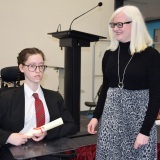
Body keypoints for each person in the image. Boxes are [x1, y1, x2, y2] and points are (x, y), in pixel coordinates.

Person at [87, 5, 160, 160]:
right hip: (111, 121)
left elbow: (156, 95)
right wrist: (96, 116)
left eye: (120, 24)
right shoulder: (109, 54)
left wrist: (145, 131)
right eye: (113, 25)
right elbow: (105, 88)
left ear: (135, 24)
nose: (115, 28)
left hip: (139, 122)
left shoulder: (151, 55)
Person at [0, 48, 78, 160]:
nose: (38, 70)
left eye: (41, 66)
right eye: (32, 66)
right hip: (15, 150)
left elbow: (71, 126)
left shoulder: (55, 97)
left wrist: (47, 132)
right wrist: (8, 137)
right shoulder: (6, 98)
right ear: (22, 68)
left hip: (47, 150)